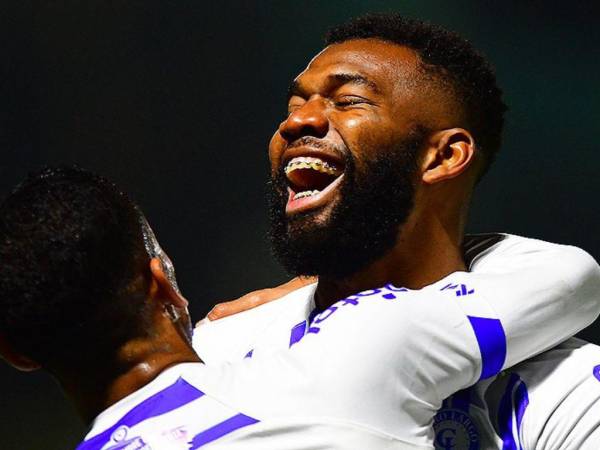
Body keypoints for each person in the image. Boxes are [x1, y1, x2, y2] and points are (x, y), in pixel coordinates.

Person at [193, 13, 600, 449]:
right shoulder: (223, 349)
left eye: (349, 100)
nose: (296, 123)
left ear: (444, 156)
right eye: (294, 106)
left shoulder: (572, 393)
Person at [8, 167, 595, 450]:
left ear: (16, 354)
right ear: (160, 283)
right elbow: (568, 280)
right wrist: (311, 290)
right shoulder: (335, 358)